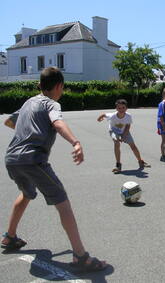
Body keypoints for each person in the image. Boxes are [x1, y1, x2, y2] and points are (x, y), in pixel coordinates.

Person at [2, 67, 107, 272]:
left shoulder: (28, 102)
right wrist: (75, 142)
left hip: (12, 159)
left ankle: (10, 236)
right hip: (32, 159)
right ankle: (81, 257)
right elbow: (58, 124)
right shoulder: (52, 103)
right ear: (59, 86)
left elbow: (8, 121)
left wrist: (28, 131)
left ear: (40, 85)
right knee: (62, 201)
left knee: (26, 193)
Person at [97, 99, 150, 173]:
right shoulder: (113, 116)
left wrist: (124, 136)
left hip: (124, 131)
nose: (121, 109)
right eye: (119, 108)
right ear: (116, 109)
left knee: (133, 146)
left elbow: (128, 126)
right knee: (116, 143)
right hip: (113, 131)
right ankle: (118, 165)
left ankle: (140, 161)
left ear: (126, 108)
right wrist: (99, 118)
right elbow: (103, 114)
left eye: (123, 108)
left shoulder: (128, 116)